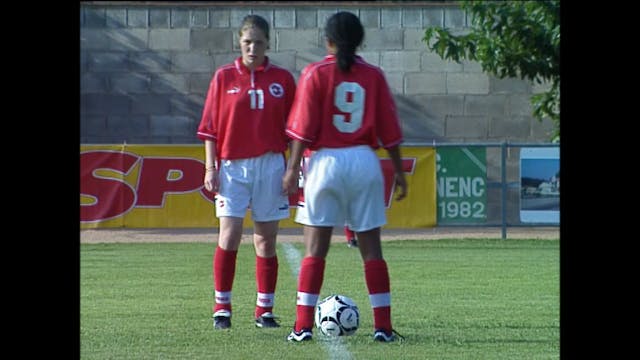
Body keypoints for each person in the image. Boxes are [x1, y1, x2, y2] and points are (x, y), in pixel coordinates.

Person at [282, 11, 407, 342]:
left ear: (328, 41)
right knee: (372, 250)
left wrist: (293, 168)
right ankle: (383, 328)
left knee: (315, 249)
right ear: (360, 40)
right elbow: (390, 130)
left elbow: (302, 129)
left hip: (324, 162)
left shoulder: (314, 73)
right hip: (364, 161)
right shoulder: (374, 76)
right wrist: (398, 171)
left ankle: (302, 327)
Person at [197, 14, 296, 330]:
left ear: (269, 43)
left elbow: (296, 130)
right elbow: (210, 128)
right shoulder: (224, 77)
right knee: (230, 235)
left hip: (271, 164)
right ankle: (222, 307)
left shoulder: (282, 79)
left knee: (266, 240)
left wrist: (293, 169)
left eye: (259, 42)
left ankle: (264, 309)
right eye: (247, 42)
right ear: (239, 43)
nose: (253, 48)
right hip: (233, 166)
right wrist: (210, 167)